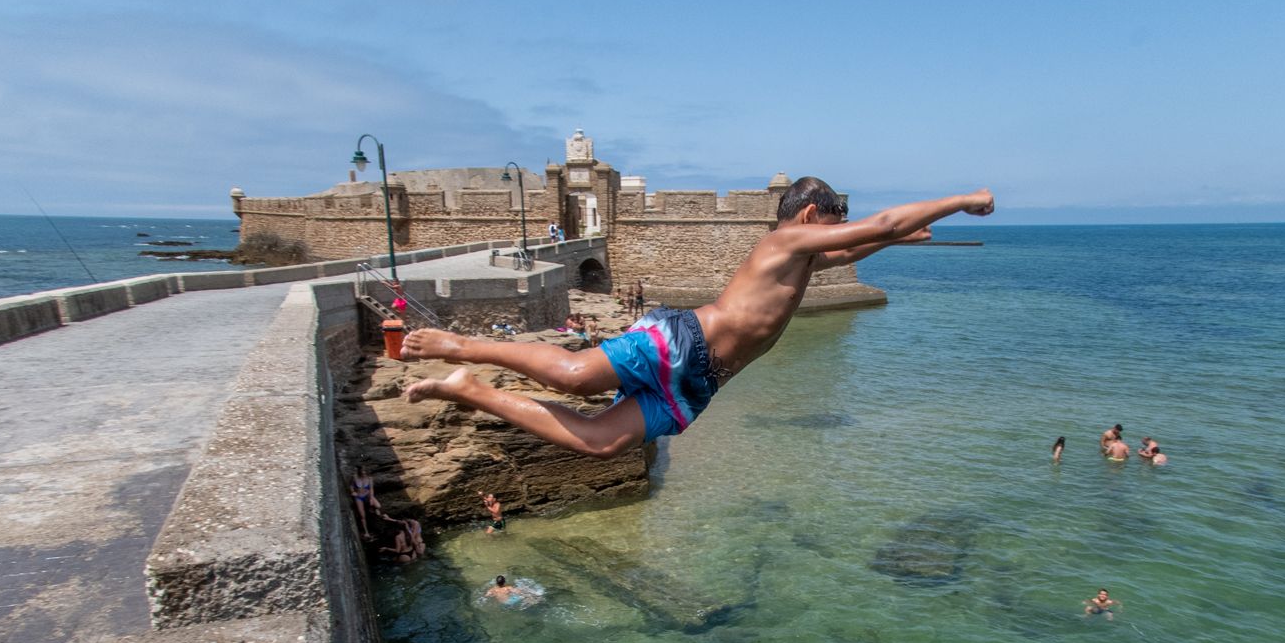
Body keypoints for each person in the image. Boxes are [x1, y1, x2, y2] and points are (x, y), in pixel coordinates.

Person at [401, 179, 995, 457]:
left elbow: (856, 248)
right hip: (682, 342)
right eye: (838, 216)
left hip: (701, 384)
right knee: (574, 376)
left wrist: (898, 243)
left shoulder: (802, 258)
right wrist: (961, 199)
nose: (841, 228)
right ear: (812, 213)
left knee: (603, 442)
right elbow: (880, 225)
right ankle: (462, 347)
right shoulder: (783, 242)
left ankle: (469, 391)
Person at [350, 465, 380, 539]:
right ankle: (366, 532)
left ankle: (372, 509)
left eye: (365, 471)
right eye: (362, 471)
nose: (364, 473)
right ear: (359, 471)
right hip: (359, 497)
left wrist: (371, 498)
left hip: (367, 495)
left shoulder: (370, 478)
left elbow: (371, 489)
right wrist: (353, 491)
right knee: (362, 516)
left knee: (378, 506)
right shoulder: (355, 477)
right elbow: (351, 485)